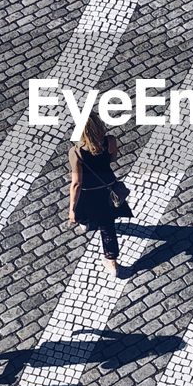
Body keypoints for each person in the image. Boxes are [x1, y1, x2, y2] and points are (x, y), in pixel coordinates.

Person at [68, 113, 131, 277]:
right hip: (107, 188)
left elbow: (76, 183)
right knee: (107, 226)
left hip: (88, 193)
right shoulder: (110, 141)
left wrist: (71, 210)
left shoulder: (76, 153)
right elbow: (113, 158)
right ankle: (112, 262)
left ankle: (86, 222)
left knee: (81, 211)